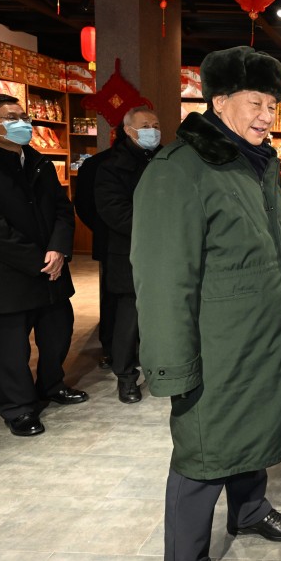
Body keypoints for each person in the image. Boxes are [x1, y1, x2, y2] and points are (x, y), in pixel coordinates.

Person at [130, 46, 281, 561]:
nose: (266, 116)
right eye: (255, 103)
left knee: (254, 429)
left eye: (272, 106)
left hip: (261, 339)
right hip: (214, 349)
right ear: (218, 101)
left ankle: (250, 510)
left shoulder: (255, 162)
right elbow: (163, 279)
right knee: (201, 456)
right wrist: (173, 366)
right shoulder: (179, 169)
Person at [0, 94, 88, 437]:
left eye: (24, 116)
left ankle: (52, 385)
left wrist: (58, 249)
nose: (23, 123)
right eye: (12, 118)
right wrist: (39, 260)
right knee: (10, 349)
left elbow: (62, 209)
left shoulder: (38, 161)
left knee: (57, 333)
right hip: (6, 275)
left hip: (51, 268)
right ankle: (18, 408)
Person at [95, 105, 161, 403]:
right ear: (128, 130)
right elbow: (114, 212)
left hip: (167, 251)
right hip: (130, 252)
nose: (152, 131)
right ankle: (125, 377)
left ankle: (160, 370)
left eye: (156, 125)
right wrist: (158, 228)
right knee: (129, 318)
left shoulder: (166, 160)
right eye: (145, 126)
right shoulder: (111, 166)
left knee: (162, 316)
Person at [73, 132, 116, 370]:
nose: (151, 131)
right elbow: (84, 205)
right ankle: (110, 347)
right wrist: (102, 228)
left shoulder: (160, 158)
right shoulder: (97, 164)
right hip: (111, 243)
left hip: (115, 240)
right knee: (113, 298)